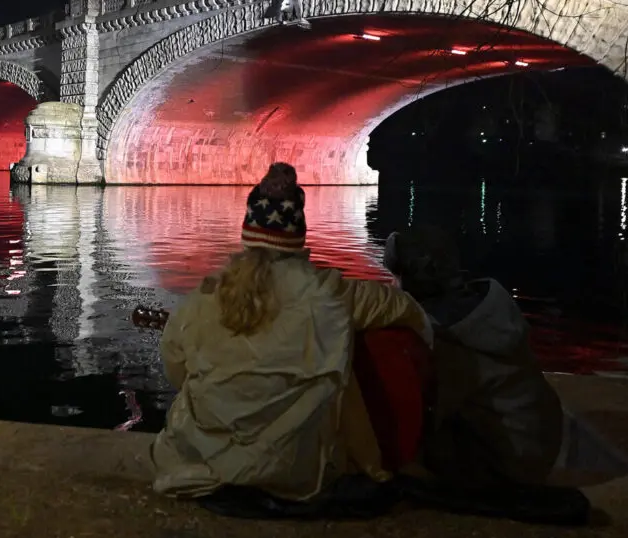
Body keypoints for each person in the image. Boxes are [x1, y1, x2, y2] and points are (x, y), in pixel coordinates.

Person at [150, 162, 431, 502]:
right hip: (297, 468)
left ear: (247, 233)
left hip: (207, 459)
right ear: (298, 236)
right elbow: (406, 310)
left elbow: (177, 369)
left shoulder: (204, 298)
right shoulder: (333, 293)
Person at [382, 225, 564, 487]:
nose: (391, 284)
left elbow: (424, 411)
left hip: (512, 462)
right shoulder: (485, 306)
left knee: (401, 453)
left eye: (397, 277)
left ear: (417, 279)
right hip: (539, 443)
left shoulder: (448, 335)